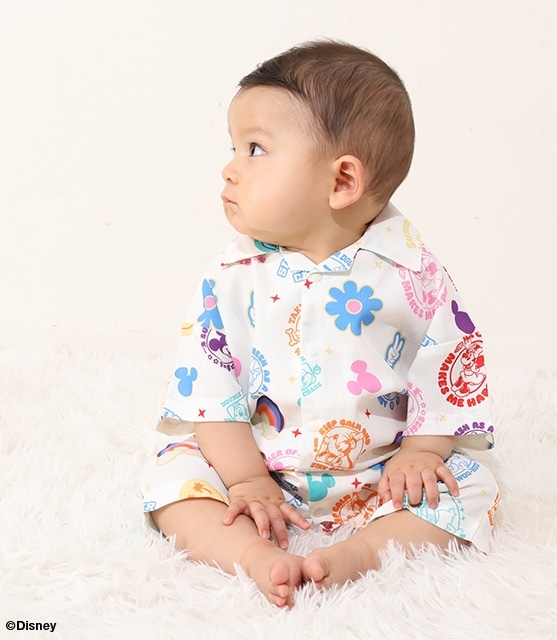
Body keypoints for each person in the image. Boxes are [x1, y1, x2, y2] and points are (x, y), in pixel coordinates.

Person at [141, 40, 499, 609]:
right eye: (234, 147)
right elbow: (209, 389)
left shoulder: (412, 272)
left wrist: (422, 453)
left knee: (473, 487)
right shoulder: (232, 275)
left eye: (255, 149)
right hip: (259, 467)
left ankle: (361, 553)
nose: (230, 169)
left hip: (381, 473)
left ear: (341, 181)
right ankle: (254, 556)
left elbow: (447, 368)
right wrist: (245, 480)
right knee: (170, 479)